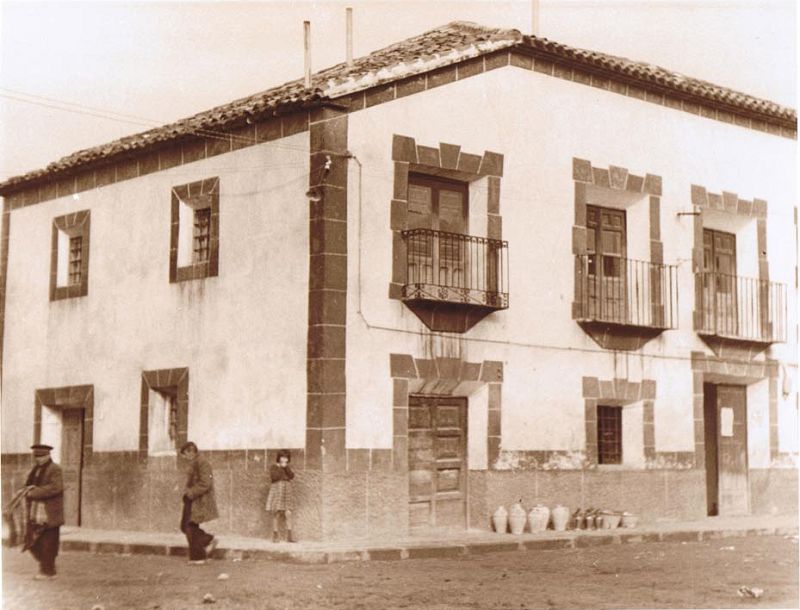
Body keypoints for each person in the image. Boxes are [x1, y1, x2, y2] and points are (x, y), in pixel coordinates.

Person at [23, 444, 64, 580]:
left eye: (41, 456)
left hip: (50, 513)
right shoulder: (35, 470)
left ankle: (48, 572)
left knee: (49, 543)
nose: (39, 459)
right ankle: (47, 568)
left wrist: (33, 492)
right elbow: (28, 486)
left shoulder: (55, 469)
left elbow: (56, 488)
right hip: (36, 513)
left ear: (48, 456)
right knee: (33, 542)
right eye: (36, 456)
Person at [179, 442, 219, 564]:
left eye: (185, 454)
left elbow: (206, 483)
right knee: (185, 526)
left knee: (189, 526)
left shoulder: (202, 463)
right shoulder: (195, 462)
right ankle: (207, 540)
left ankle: (198, 557)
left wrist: (190, 493)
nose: (185, 458)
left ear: (191, 451)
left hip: (199, 500)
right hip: (192, 499)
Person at [266, 449, 296, 543]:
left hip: (287, 489)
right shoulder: (274, 467)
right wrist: (280, 468)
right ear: (279, 458)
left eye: (286, 457)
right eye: (283, 457)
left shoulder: (287, 467)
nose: (284, 459)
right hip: (277, 489)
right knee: (277, 512)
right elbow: (274, 477)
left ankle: (289, 537)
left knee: (288, 512)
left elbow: (291, 476)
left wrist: (286, 467)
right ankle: (275, 536)